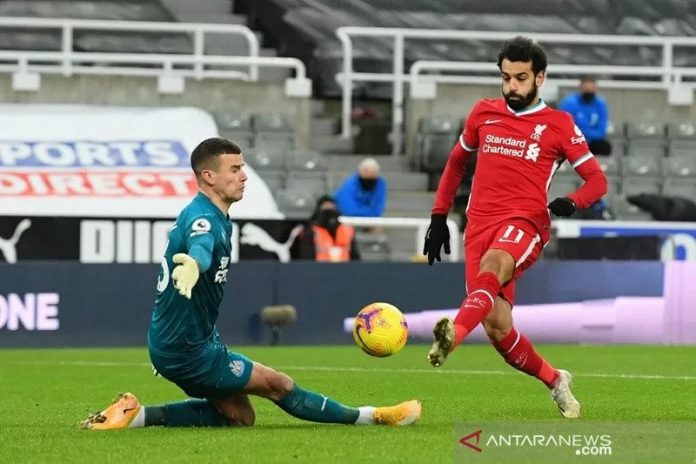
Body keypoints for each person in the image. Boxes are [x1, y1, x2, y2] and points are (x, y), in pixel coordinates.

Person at [81, 137, 420, 430]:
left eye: (243, 168)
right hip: (185, 349)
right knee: (278, 384)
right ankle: (371, 416)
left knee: (240, 417)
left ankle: (134, 415)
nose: (244, 177)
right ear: (208, 176)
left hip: (186, 339)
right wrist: (194, 264)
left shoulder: (213, 214)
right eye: (235, 170)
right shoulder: (204, 219)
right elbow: (202, 244)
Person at [422, 37, 608, 419]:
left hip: (525, 223)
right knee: (497, 327)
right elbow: (456, 163)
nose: (512, 87)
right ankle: (556, 380)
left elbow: (596, 180)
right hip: (478, 225)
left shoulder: (558, 124)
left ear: (540, 77)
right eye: (506, 78)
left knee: (494, 265)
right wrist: (439, 216)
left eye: (521, 78)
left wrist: (574, 201)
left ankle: (452, 335)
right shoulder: (482, 114)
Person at [290, 195, 361, 262]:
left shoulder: (347, 230)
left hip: (346, 270)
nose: (330, 215)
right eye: (326, 209)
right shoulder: (310, 231)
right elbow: (306, 259)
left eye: (332, 209)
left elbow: (355, 257)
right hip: (320, 271)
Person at [559, 77, 612, 156]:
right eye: (586, 89)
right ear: (581, 88)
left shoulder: (600, 104)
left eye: (591, 89)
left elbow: (601, 130)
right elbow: (565, 127)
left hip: (593, 141)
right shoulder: (569, 103)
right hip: (574, 140)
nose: (589, 91)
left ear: (595, 89)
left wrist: (586, 134)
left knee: (604, 146)